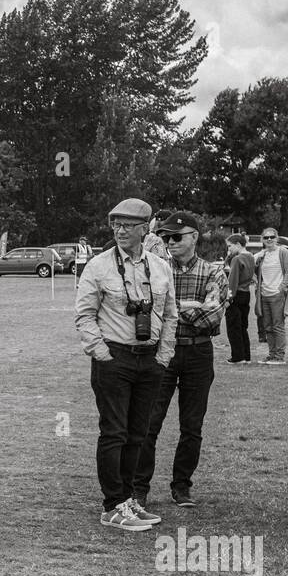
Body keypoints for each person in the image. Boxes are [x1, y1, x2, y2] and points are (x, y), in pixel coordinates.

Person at [75, 197, 178, 532]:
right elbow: (85, 316)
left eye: (127, 225)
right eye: (115, 225)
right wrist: (102, 353)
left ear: (145, 228)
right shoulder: (99, 266)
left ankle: (130, 498)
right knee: (115, 432)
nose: (119, 231)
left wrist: (164, 355)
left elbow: (170, 314)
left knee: (139, 433)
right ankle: (113, 504)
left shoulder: (161, 267)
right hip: (114, 358)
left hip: (150, 361)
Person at [130, 212, 226, 510]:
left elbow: (212, 315)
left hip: (198, 353)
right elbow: (146, 309)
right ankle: (138, 488)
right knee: (148, 423)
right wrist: (192, 305)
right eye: (166, 237)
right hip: (163, 351)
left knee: (192, 426)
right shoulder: (156, 269)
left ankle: (182, 487)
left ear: (194, 237)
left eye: (176, 236)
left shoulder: (213, 272)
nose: (170, 242)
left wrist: (172, 305)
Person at [252, 227, 288, 364]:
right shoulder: (261, 255)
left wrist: (282, 288)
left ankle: (279, 357)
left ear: (277, 238)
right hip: (264, 295)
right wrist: (255, 280)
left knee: (277, 326)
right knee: (268, 327)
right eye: (266, 237)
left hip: (277, 295)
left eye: (272, 237)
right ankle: (271, 355)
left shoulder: (283, 251)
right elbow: (249, 267)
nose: (269, 239)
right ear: (262, 240)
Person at [224, 234, 255, 364]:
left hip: (236, 295)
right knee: (243, 327)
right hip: (246, 294)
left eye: (230, 246)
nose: (229, 249)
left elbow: (233, 280)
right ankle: (246, 356)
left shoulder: (237, 259)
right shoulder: (251, 256)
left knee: (233, 327)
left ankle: (237, 357)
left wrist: (228, 299)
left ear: (237, 244)